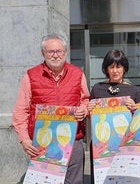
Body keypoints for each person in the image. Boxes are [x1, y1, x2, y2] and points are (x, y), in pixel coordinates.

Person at [12, 34, 90, 184]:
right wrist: (24, 139)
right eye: (50, 52)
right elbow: (21, 111)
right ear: (43, 53)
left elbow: (85, 100)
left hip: (74, 142)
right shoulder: (31, 76)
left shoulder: (77, 74)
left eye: (59, 51)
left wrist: (83, 109)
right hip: (43, 143)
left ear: (66, 52)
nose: (55, 55)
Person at [87, 49, 140, 183]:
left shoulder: (132, 90)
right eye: (111, 67)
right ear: (106, 69)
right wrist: (89, 110)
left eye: (119, 66)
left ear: (124, 68)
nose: (115, 70)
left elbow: (139, 120)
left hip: (124, 144)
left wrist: (135, 108)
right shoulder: (97, 88)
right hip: (101, 145)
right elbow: (91, 118)